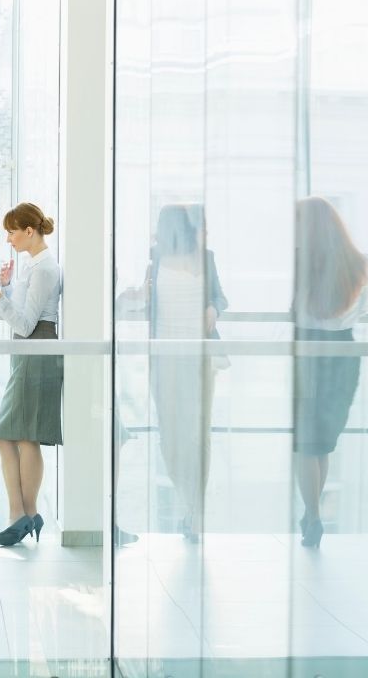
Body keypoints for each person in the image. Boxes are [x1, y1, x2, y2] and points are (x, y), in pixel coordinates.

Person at [0, 202, 62, 547]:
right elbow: (23, 313)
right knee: (16, 436)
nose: (8, 239)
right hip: (28, 350)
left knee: (21, 436)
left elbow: (25, 324)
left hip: (37, 348)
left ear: (29, 231)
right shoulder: (32, 266)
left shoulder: (45, 269)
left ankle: (22, 514)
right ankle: (24, 514)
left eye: (12, 231)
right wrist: (6, 289)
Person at [292, 196, 368, 548]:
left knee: (306, 445)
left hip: (310, 353)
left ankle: (312, 515)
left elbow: (300, 315)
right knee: (322, 443)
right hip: (344, 354)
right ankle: (313, 514)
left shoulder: (304, 263)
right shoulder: (359, 264)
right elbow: (362, 310)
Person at [147, 203, 227, 543]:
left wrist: (213, 307)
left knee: (199, 435)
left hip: (200, 357)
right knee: (171, 436)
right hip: (165, 359)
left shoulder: (206, 258)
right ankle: (188, 501)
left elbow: (221, 298)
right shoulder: (155, 260)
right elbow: (144, 304)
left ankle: (196, 514)